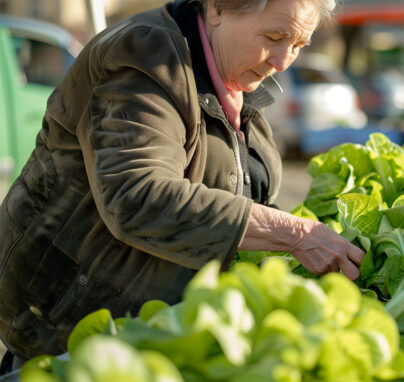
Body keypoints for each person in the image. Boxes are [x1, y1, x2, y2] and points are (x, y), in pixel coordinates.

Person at [0, 0, 365, 369]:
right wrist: (294, 233)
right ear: (218, 8)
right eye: (274, 36)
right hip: (72, 333)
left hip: (163, 336)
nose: (284, 61)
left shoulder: (237, 79)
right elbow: (136, 196)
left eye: (299, 45)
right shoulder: (144, 57)